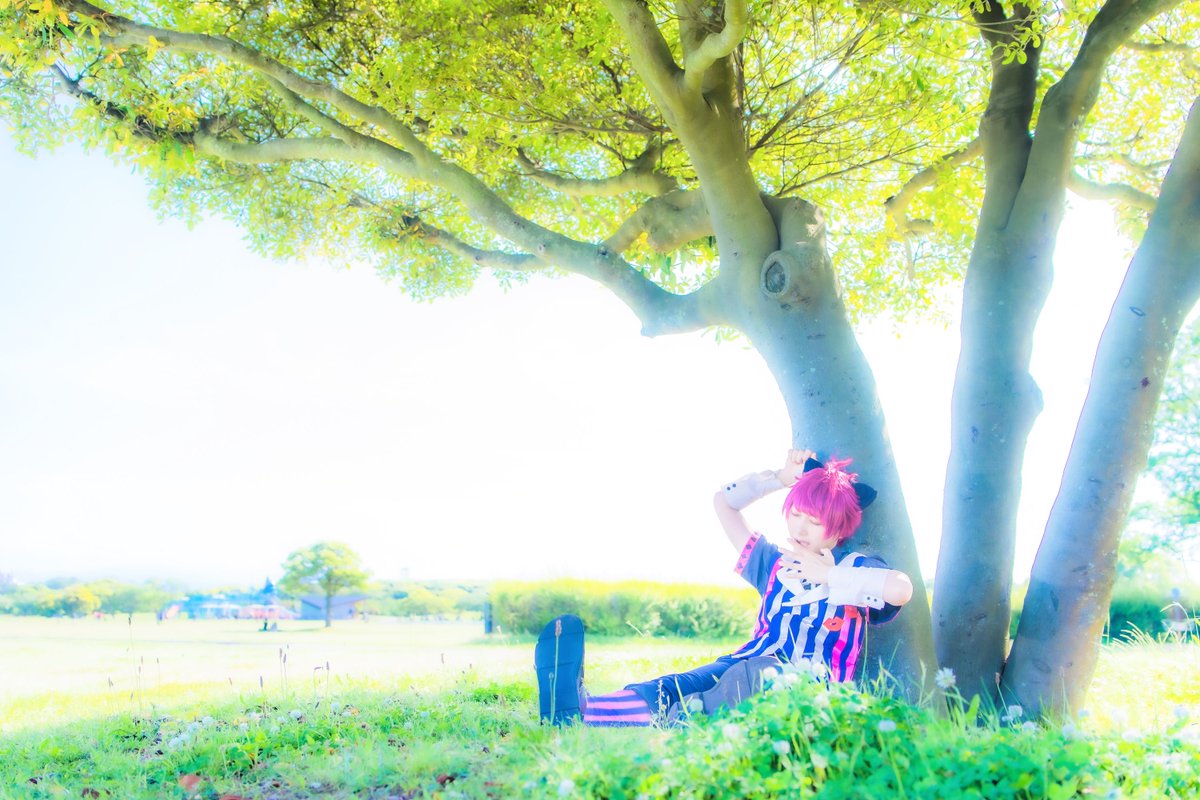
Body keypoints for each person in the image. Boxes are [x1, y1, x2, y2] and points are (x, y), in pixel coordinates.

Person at [535, 448, 914, 726]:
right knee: (681, 684)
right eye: (796, 514)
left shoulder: (854, 569)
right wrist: (781, 478)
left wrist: (829, 576)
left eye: (813, 522)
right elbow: (724, 503)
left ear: (838, 526)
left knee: (762, 676)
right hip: (741, 665)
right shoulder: (773, 563)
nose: (800, 528)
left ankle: (695, 717)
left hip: (809, 690)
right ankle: (580, 711)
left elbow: (901, 589)